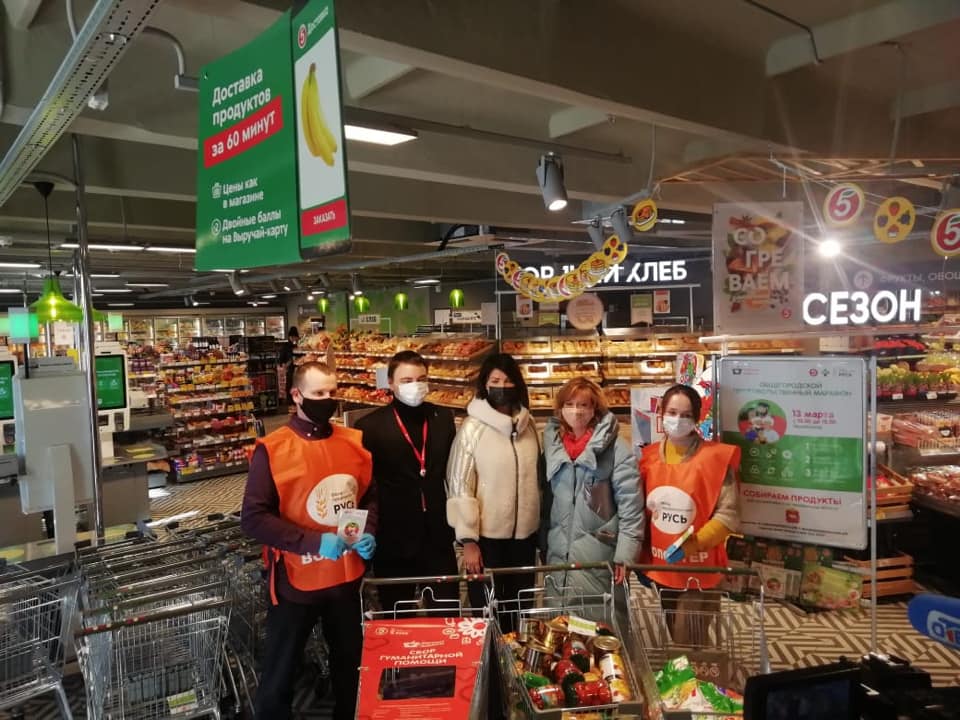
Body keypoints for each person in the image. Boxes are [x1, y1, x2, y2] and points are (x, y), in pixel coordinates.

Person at [241, 361, 376, 720]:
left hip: (345, 577)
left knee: (350, 663)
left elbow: (368, 497)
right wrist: (313, 543)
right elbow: (253, 518)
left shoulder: (353, 443)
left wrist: (369, 532)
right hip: (295, 582)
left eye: (332, 392)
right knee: (281, 672)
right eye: (318, 393)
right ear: (296, 395)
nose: (327, 399)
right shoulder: (273, 449)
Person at [354, 350, 459, 615]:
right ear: (390, 383)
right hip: (393, 537)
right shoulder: (370, 427)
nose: (415, 386)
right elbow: (364, 485)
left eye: (421, 379)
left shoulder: (443, 418)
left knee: (446, 613)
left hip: (437, 535)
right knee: (398, 616)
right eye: (407, 380)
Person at [639, 383, 740, 645]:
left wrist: (692, 544)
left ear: (697, 418)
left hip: (699, 569)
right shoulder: (648, 457)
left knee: (689, 639)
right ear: (661, 413)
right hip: (662, 568)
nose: (678, 420)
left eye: (686, 415)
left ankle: (696, 672)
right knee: (676, 631)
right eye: (672, 413)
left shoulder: (715, 458)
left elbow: (728, 514)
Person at [446, 353, 541, 626]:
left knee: (520, 608)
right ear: (485, 385)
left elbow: (536, 479)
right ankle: (490, 654)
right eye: (495, 380)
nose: (502, 386)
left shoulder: (528, 425)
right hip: (486, 540)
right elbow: (460, 485)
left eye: (508, 380)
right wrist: (468, 541)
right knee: (488, 611)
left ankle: (516, 652)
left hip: (524, 539)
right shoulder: (472, 428)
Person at [543, 377, 644, 597]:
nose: (576, 411)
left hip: (599, 556)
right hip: (558, 556)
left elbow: (631, 508)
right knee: (560, 615)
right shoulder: (553, 448)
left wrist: (626, 555)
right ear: (560, 408)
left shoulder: (616, 449)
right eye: (570, 404)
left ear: (595, 409)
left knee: (597, 613)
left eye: (583, 405)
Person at [278, 326, 299, 407]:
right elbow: (281, 359)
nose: (295, 339)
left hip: (297, 369)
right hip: (290, 369)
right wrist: (286, 365)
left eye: (296, 337)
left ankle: (295, 401)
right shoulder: (286, 346)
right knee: (290, 385)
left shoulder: (297, 345)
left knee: (296, 385)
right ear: (290, 337)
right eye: (293, 337)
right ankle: (290, 402)